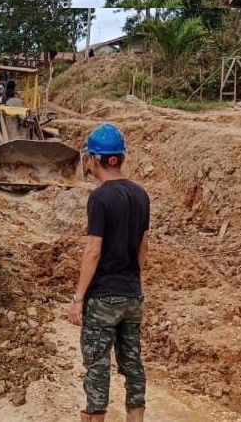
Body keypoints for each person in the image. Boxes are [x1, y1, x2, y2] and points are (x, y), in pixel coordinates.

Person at [68, 123, 149, 422]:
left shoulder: (100, 198)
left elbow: (93, 251)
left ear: (93, 158)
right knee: (133, 363)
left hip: (103, 298)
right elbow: (142, 248)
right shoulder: (141, 195)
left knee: (98, 367)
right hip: (132, 295)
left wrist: (78, 298)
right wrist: (132, 283)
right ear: (119, 157)